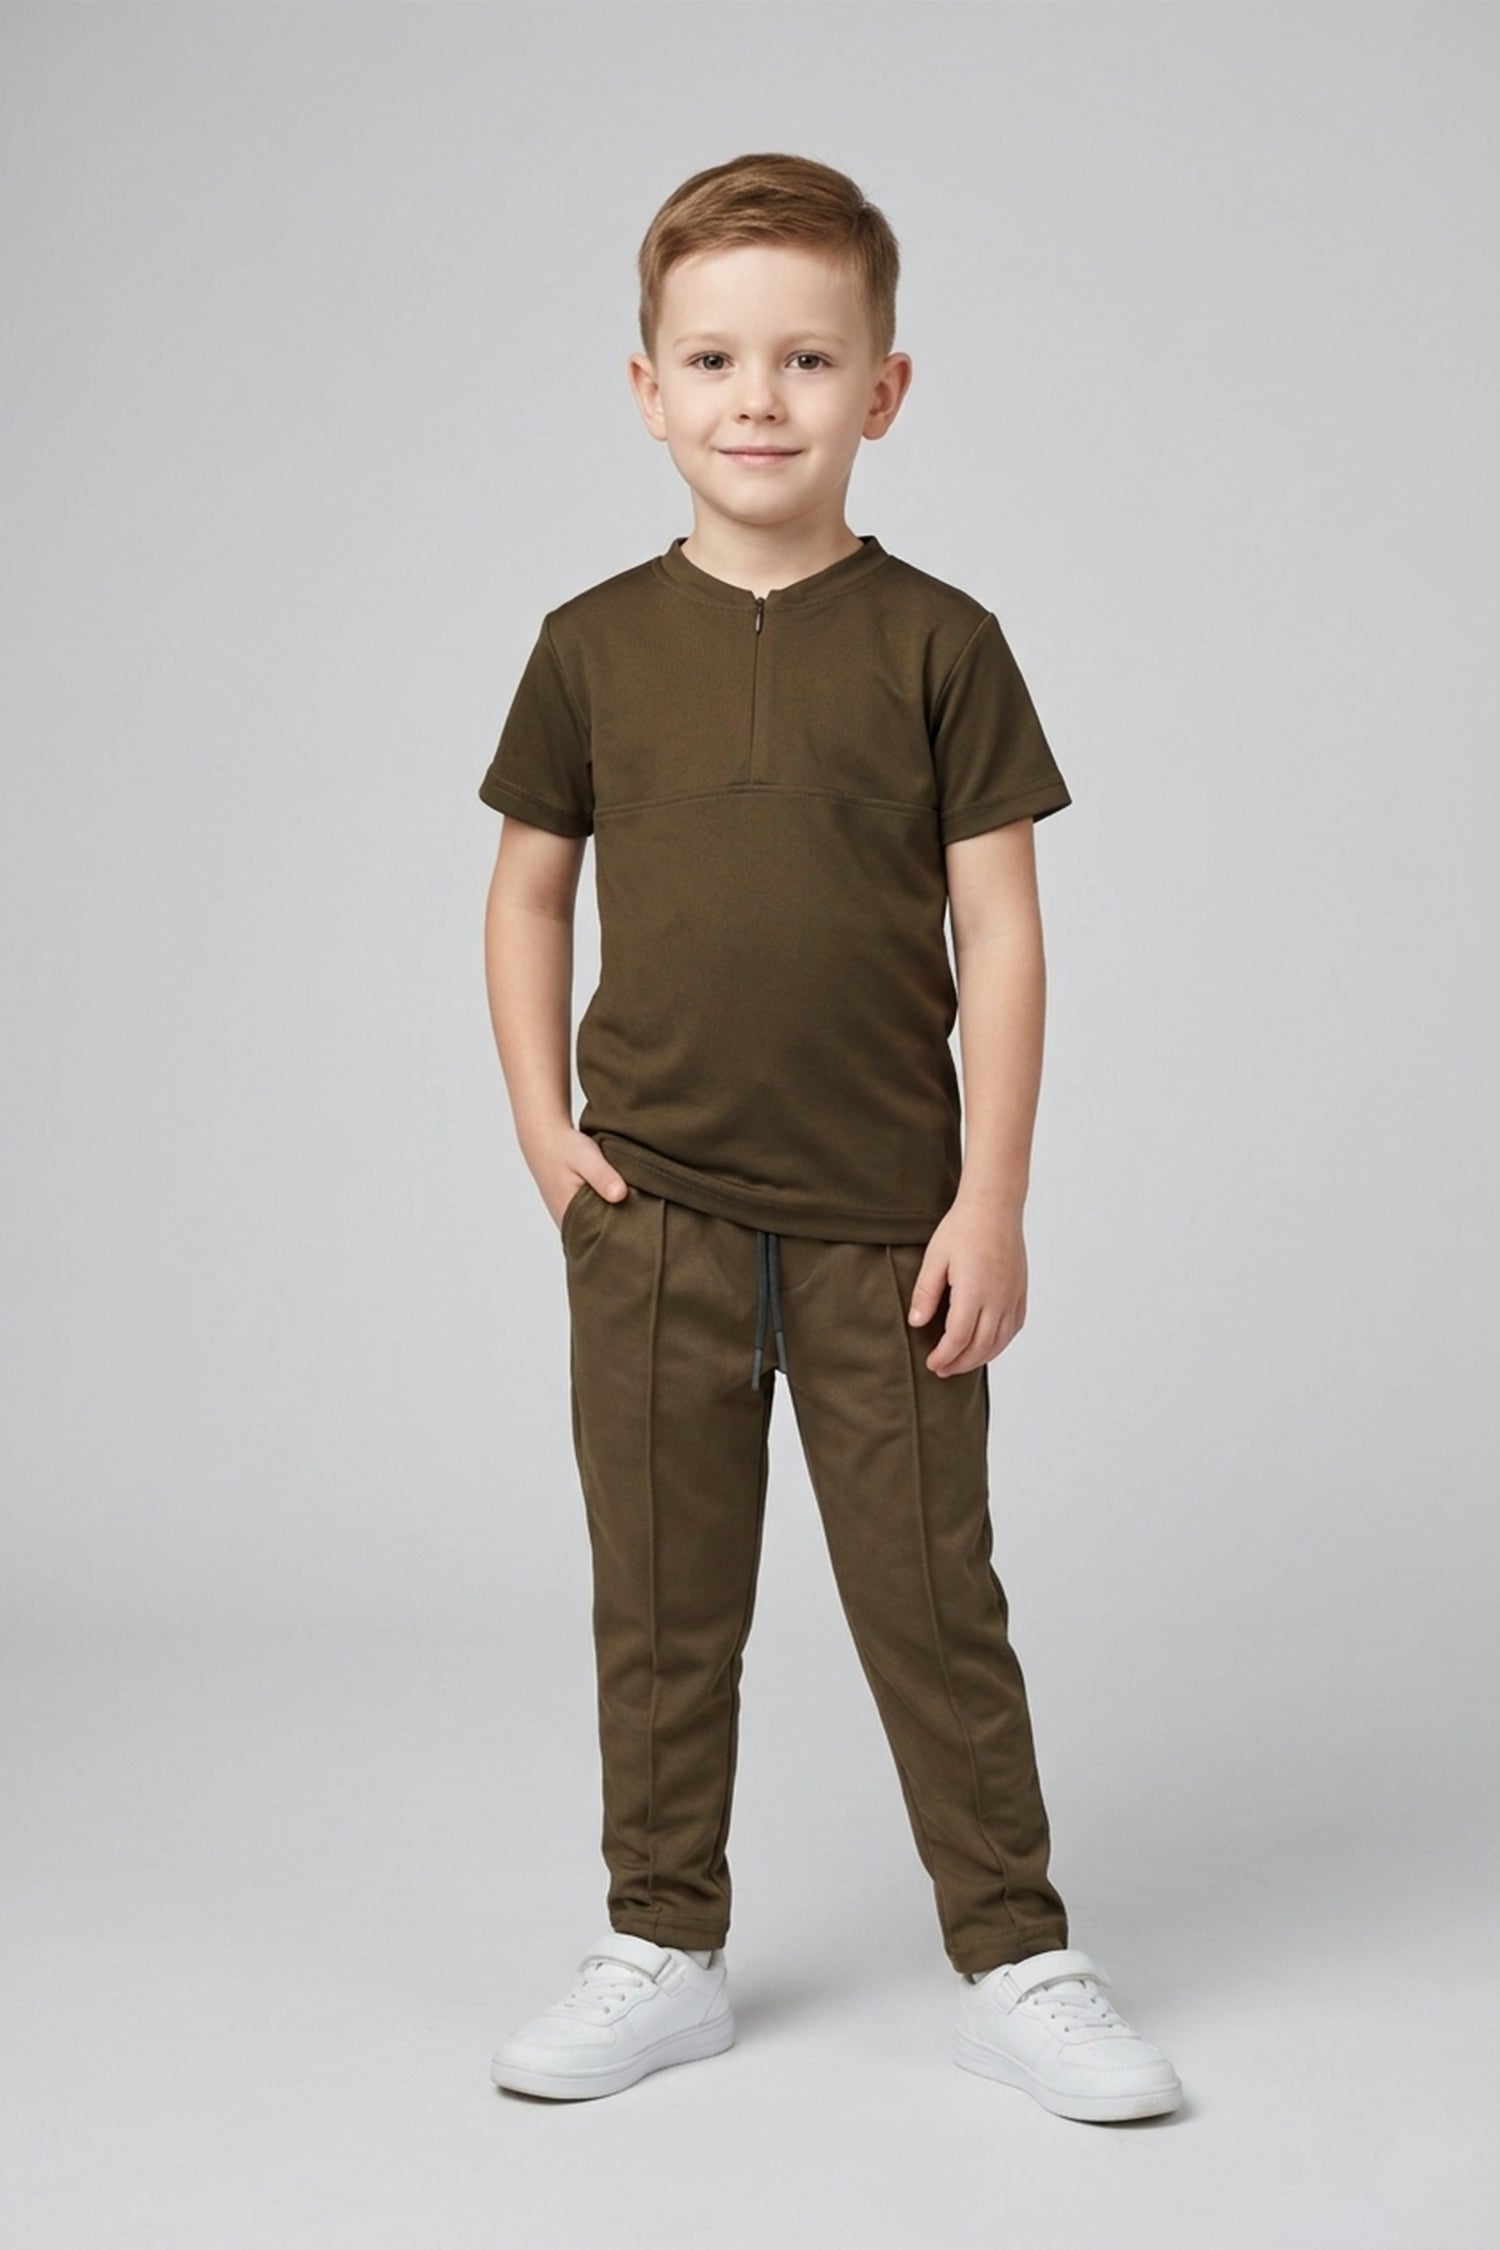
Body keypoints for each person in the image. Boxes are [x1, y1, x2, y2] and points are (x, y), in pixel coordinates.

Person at [478, 151, 1184, 2124]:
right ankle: (661, 1943)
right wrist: (543, 1129)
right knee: (661, 1602)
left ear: (884, 386)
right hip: (658, 1216)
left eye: (807, 357)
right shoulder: (590, 643)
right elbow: (529, 890)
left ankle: (1018, 1956)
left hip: (891, 1226)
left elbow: (1003, 931)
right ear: (648, 390)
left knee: (937, 1605)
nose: (760, 398)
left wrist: (992, 1197)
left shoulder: (944, 641)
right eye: (714, 359)